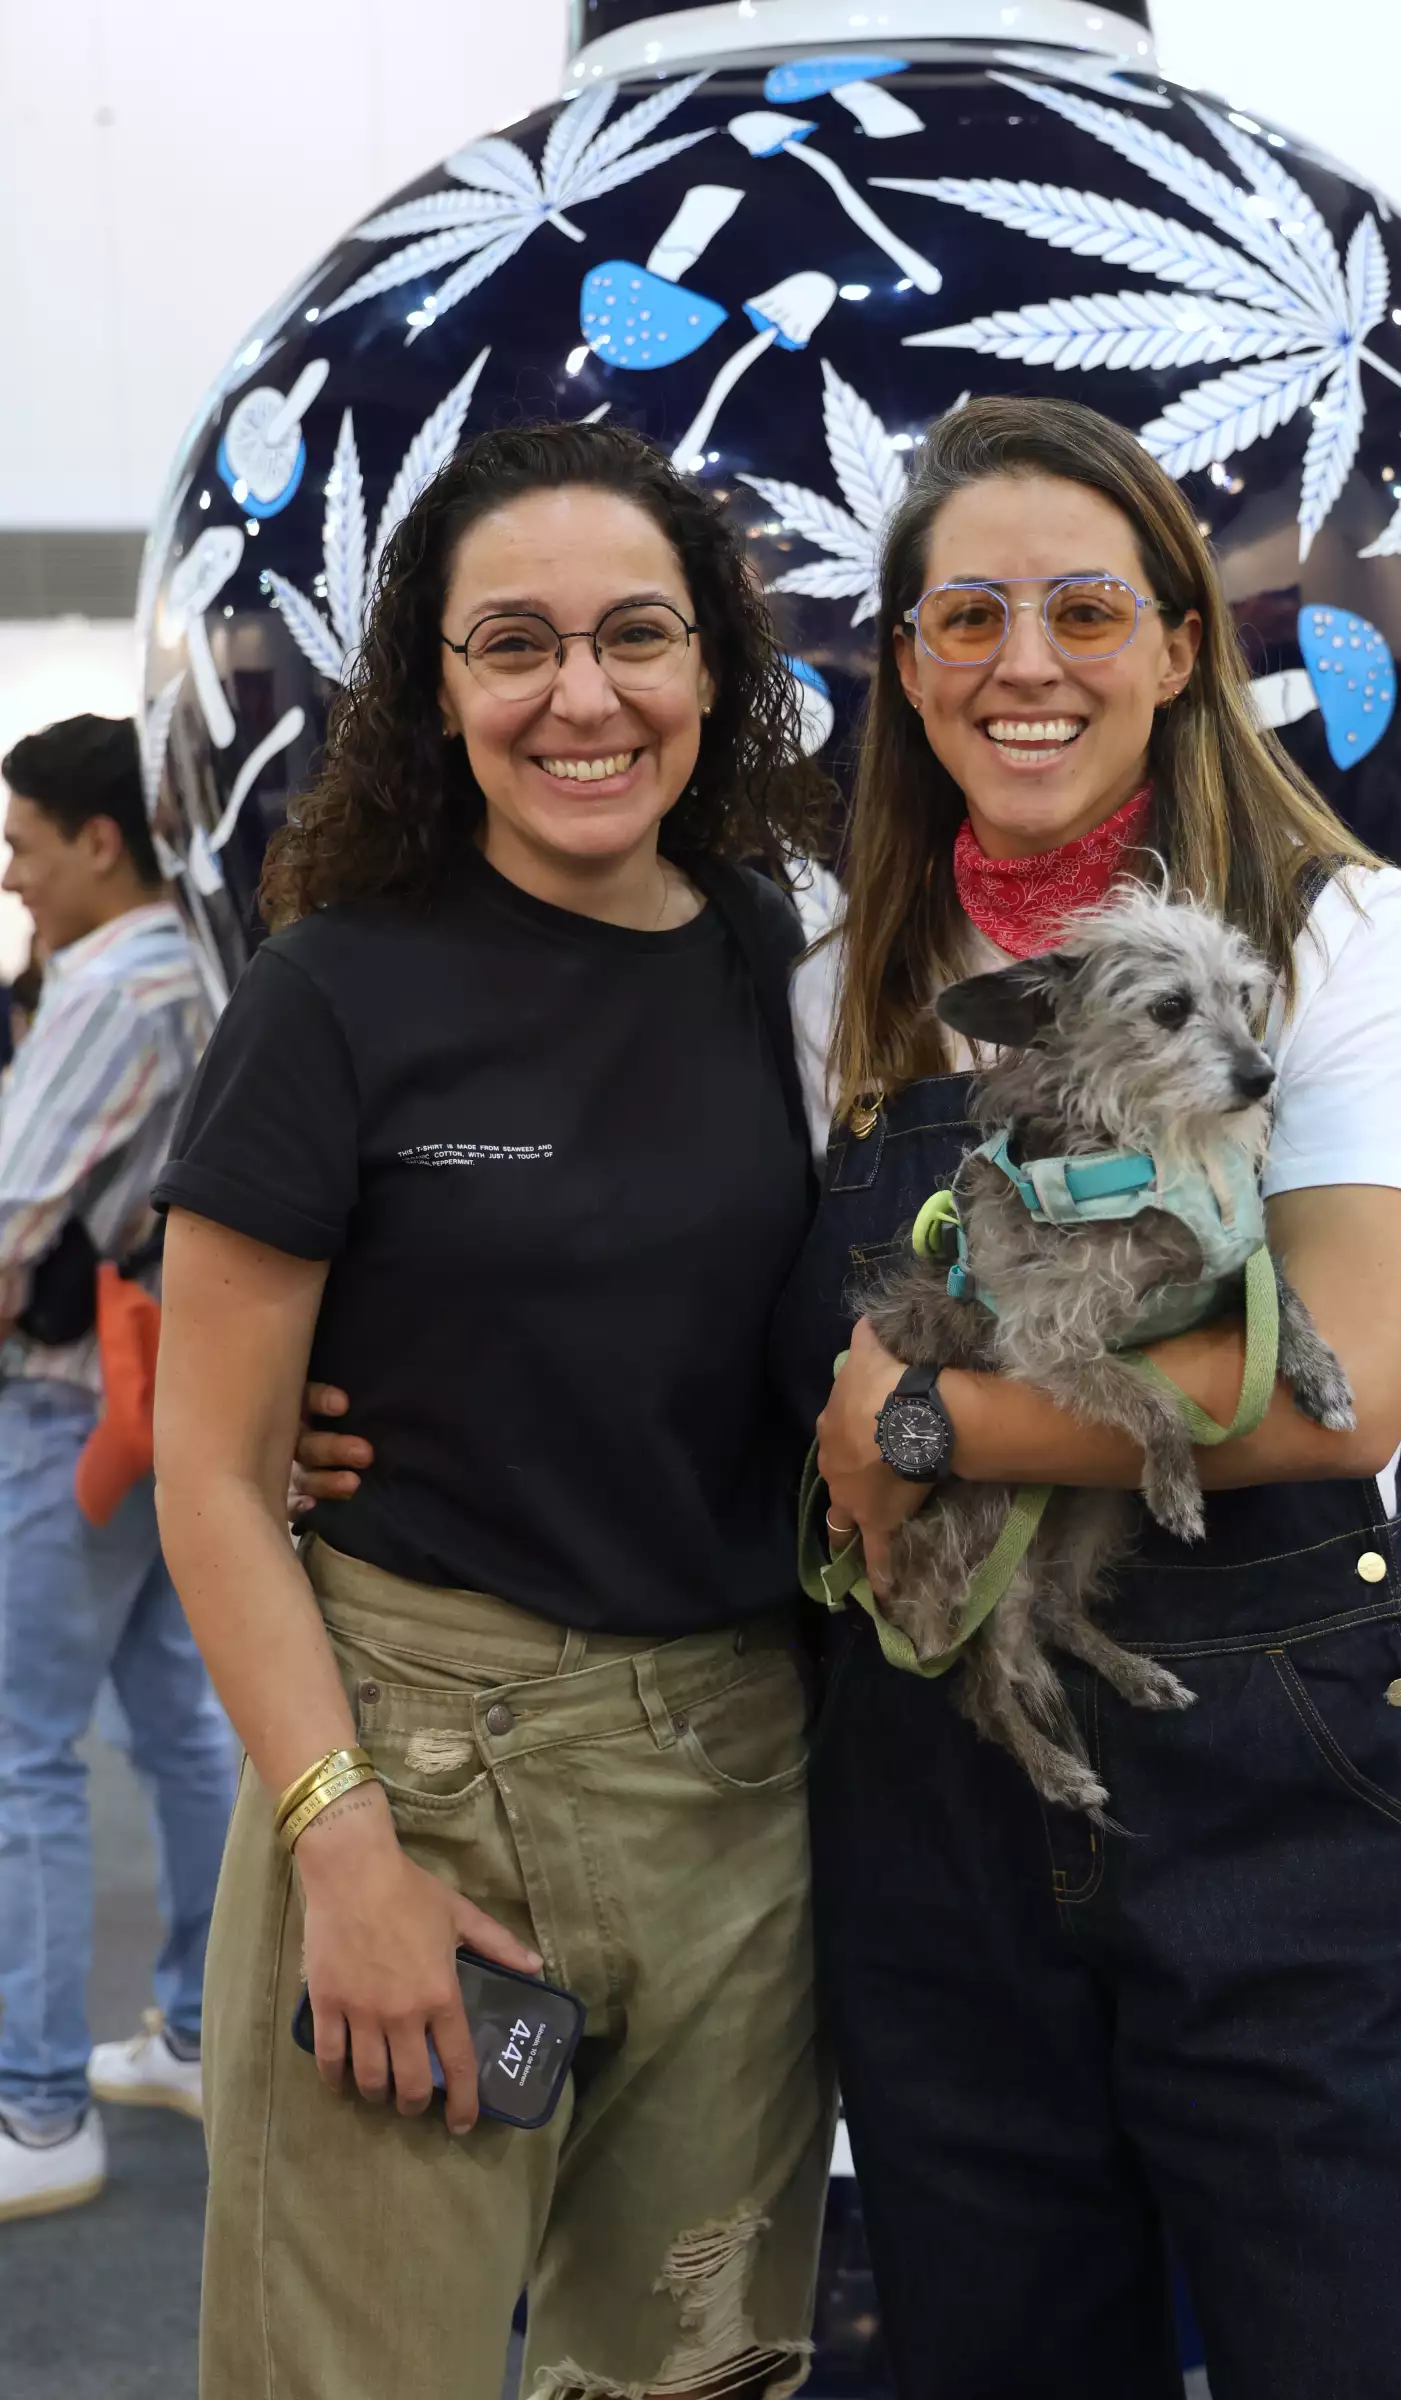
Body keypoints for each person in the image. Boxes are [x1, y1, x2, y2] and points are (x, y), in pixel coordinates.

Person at [293, 395, 1401, 2399]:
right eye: (967, 619)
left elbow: (1334, 1390)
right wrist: (361, 1401)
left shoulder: (1328, 935)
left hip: (1269, 1761)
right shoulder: (816, 955)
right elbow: (630, 1256)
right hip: (924, 1773)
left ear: (1180, 644)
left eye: (1085, 610)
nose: (1026, 664)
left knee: (1347, 2342)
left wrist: (921, 1428)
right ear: (905, 663)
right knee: (999, 2347)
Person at [151, 422, 834, 2400]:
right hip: (414, 1774)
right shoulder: (338, 992)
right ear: (437, 691)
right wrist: (339, 1852)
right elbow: (211, 1471)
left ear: (709, 665)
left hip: (738, 1785)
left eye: (634, 636)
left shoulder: (774, 968)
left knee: (686, 2375)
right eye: (510, 645)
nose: (580, 696)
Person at [0, 714, 236, 2222]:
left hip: (60, 1402)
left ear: (102, 841)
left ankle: (35, 2109)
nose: (13, 879)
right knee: (178, 1723)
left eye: (24, 847)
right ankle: (202, 2033)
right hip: (158, 1403)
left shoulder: (121, 979)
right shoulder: (197, 966)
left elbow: (10, 1217)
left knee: (23, 1754)